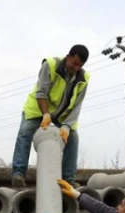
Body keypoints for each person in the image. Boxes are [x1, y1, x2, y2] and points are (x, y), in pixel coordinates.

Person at [10, 44, 90, 189]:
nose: (76, 68)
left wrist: (66, 126)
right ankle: (18, 174)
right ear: (68, 57)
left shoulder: (83, 79)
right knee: (25, 132)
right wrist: (46, 114)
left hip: (62, 114)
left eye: (80, 65)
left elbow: (77, 105)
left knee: (73, 137)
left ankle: (68, 179)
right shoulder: (50, 65)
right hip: (40, 107)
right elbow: (41, 93)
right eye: (74, 63)